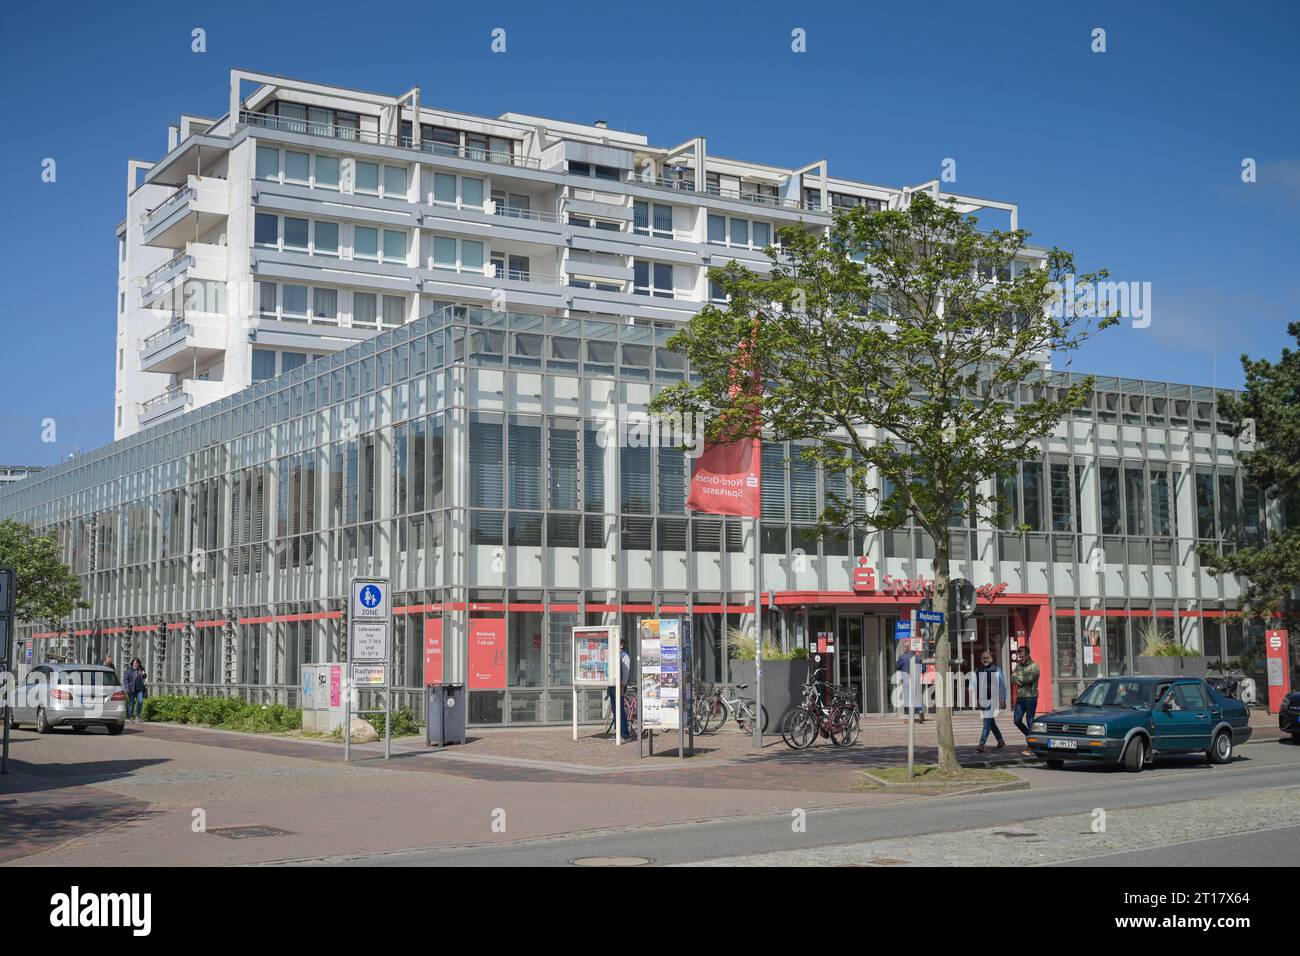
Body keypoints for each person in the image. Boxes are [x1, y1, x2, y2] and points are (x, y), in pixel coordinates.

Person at [971, 651, 1006, 753]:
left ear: (991, 659)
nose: (985, 659)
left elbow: (1002, 685)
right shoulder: (978, 670)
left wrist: (1003, 699)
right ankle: (1000, 741)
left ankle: (981, 744)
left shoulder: (996, 669)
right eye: (983, 658)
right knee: (991, 722)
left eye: (987, 657)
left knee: (987, 722)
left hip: (993, 699)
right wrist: (977, 700)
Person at [1011, 645, 1040, 754]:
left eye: (1022, 657)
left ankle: (1031, 745)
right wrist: (1020, 680)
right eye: (1019, 657)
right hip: (1020, 697)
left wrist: (1020, 679)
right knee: (1017, 721)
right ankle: (1031, 737)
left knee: (1030, 720)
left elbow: (1028, 679)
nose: (1021, 659)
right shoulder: (1019, 666)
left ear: (1028, 655)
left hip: (1031, 697)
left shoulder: (1035, 667)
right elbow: (1013, 678)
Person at [606, 639, 634, 741]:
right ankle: (618, 733)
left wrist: (622, 686)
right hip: (612, 685)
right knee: (615, 710)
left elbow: (626, 673)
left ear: (622, 645)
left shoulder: (624, 656)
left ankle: (625, 734)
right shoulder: (614, 656)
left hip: (620, 686)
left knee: (620, 710)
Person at [895, 641, 925, 722]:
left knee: (907, 698)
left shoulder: (902, 657)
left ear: (906, 648)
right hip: (916, 681)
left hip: (907, 681)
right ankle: (919, 711)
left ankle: (907, 717)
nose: (903, 649)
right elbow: (924, 669)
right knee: (917, 697)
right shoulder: (918, 658)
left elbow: (897, 666)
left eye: (903, 647)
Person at [124, 657, 147, 723]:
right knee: (131, 703)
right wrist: (127, 689)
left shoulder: (141, 669)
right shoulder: (129, 670)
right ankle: (131, 717)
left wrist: (143, 673)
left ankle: (138, 715)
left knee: (140, 702)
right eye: (135, 663)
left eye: (137, 663)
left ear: (139, 664)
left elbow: (145, 676)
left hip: (140, 689)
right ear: (132, 663)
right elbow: (126, 680)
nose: (136, 664)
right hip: (131, 690)